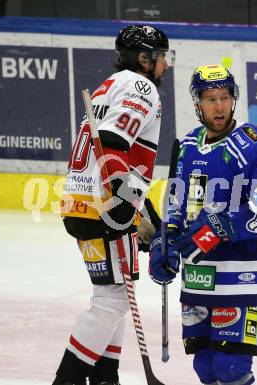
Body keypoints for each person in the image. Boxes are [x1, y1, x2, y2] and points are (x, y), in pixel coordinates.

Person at [149, 64, 257, 385]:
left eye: (224, 97)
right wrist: (164, 242)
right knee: (206, 367)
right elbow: (175, 201)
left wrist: (223, 225)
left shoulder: (254, 144)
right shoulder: (186, 146)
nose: (218, 105)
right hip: (198, 276)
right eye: (210, 98)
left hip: (243, 275)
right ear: (198, 103)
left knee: (231, 368)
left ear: (233, 99)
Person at [54, 25, 174, 385]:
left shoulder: (111, 85)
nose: (164, 65)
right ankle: (68, 379)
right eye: (161, 57)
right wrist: (123, 200)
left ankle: (106, 378)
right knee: (114, 300)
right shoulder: (141, 87)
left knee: (112, 293)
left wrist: (141, 209)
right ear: (144, 59)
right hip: (104, 206)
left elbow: (109, 151)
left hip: (81, 203)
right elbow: (111, 140)